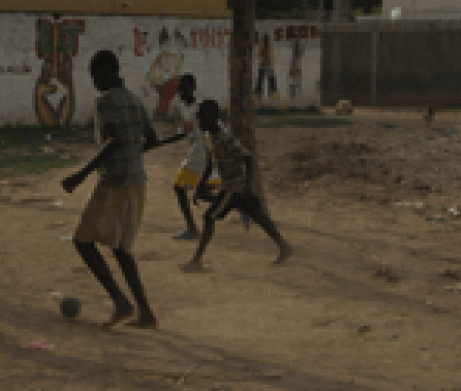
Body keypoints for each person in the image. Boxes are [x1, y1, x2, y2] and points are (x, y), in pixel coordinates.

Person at [62, 50, 160, 329]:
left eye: (96, 75)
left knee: (83, 241)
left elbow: (112, 142)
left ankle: (121, 301)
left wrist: (80, 175)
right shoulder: (135, 100)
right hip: (136, 183)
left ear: (109, 71)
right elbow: (151, 139)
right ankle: (144, 311)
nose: (94, 81)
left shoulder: (105, 102)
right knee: (121, 249)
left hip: (114, 183)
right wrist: (133, 151)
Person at [181, 100, 293, 272]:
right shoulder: (211, 136)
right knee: (258, 216)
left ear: (210, 118)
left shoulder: (224, 137)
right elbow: (211, 162)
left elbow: (246, 157)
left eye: (201, 118)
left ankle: (196, 261)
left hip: (234, 187)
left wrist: (247, 185)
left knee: (209, 217)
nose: (199, 122)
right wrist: (201, 184)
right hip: (233, 186)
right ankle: (284, 246)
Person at [170, 74, 222, 240]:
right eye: (179, 88)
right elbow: (184, 132)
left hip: (201, 153)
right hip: (196, 152)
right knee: (202, 194)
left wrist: (210, 159)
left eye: (184, 88)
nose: (181, 92)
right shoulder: (184, 107)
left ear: (193, 88)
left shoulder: (200, 107)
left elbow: (213, 131)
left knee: (179, 188)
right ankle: (239, 204)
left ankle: (192, 229)